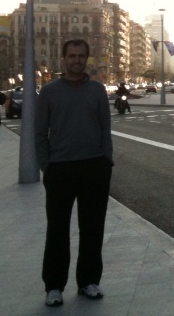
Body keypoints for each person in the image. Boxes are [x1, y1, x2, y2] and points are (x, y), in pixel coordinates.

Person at [36, 39, 113, 308]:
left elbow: (105, 127)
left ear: (86, 59)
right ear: (64, 59)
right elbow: (39, 133)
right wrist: (47, 166)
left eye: (81, 56)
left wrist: (106, 160)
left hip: (94, 167)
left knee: (92, 229)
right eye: (72, 56)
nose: (76, 60)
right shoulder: (49, 92)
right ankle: (54, 286)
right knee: (57, 230)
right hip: (60, 170)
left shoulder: (97, 90)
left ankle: (89, 282)